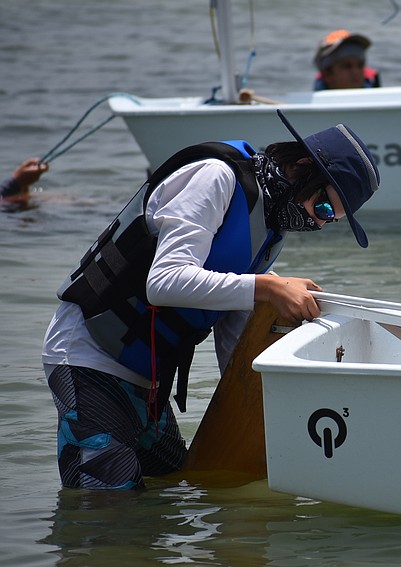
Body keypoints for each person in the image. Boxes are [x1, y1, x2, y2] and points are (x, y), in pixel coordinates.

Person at [42, 110, 380, 490]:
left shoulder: (269, 230)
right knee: (108, 505)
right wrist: (268, 288)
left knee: (180, 485)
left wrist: (269, 413)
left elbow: (233, 344)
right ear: (302, 168)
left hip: (146, 379)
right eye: (322, 208)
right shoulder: (216, 178)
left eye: (330, 220)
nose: (319, 223)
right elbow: (165, 282)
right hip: (89, 356)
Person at [313, 29, 381, 91]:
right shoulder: (315, 104)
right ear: (327, 74)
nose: (356, 72)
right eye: (347, 66)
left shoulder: (378, 100)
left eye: (360, 65)